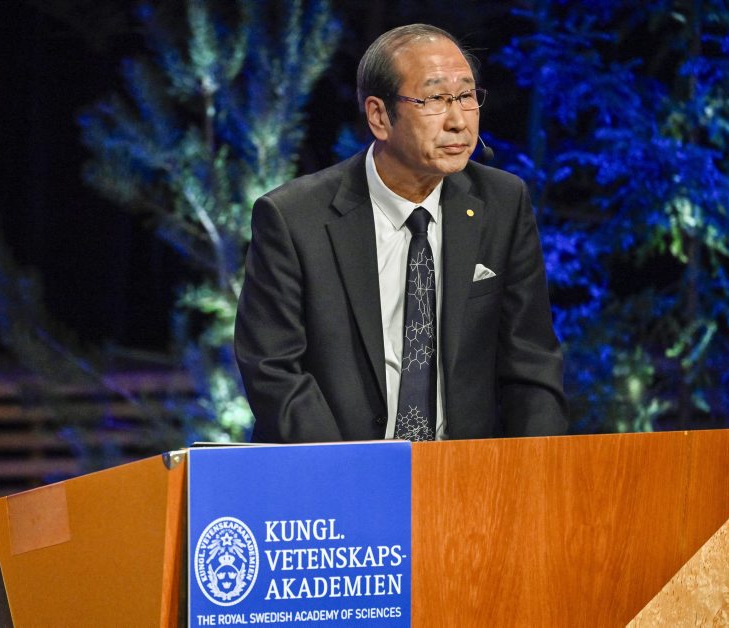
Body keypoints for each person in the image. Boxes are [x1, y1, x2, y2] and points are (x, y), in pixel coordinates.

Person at [234, 23, 567, 443]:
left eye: (466, 96)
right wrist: (351, 472)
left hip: (467, 469)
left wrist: (537, 470)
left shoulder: (502, 202)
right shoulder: (293, 218)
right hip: (338, 468)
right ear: (379, 116)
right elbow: (274, 370)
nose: (458, 121)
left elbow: (531, 363)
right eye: (435, 99)